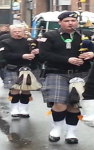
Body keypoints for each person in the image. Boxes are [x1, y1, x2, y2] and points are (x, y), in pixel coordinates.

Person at [39, 11, 94, 144]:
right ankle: (57, 129)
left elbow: (92, 50)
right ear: (60, 22)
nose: (70, 23)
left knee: (74, 104)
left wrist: (91, 54)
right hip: (57, 72)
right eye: (67, 21)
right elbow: (44, 55)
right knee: (59, 103)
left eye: (73, 21)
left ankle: (70, 132)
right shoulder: (49, 36)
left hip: (80, 73)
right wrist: (67, 59)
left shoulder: (85, 36)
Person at [0, 24, 40, 118]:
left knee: (26, 89)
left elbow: (41, 56)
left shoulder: (31, 42)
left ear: (24, 32)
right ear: (10, 32)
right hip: (13, 67)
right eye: (15, 31)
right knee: (15, 89)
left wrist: (37, 52)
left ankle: (23, 109)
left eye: (19, 31)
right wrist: (22, 56)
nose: (17, 33)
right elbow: (4, 55)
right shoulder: (5, 42)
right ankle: (14, 109)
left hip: (29, 68)